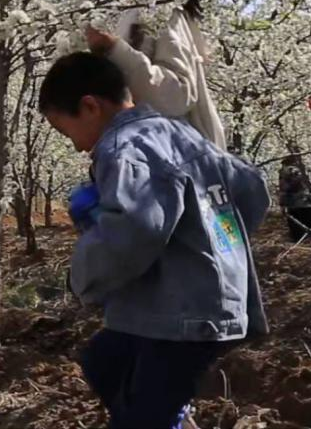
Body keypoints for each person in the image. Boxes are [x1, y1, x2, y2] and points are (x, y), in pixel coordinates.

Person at [39, 52, 268, 429]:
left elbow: (135, 229)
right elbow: (251, 188)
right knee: (104, 361)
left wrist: (82, 276)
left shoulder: (125, 148)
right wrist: (216, 241)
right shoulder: (179, 132)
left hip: (180, 312)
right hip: (207, 298)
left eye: (67, 132)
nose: (77, 147)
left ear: (90, 106)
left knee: (144, 417)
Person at [85, 0, 227, 150]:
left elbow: (177, 95)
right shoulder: (135, 12)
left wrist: (113, 50)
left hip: (185, 168)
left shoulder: (162, 11)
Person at [278, 155, 311, 242]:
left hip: (295, 204)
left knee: (297, 229)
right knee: (307, 226)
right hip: (307, 203)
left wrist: (283, 203)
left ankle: (300, 241)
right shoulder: (304, 169)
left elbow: (284, 188)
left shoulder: (288, 170)